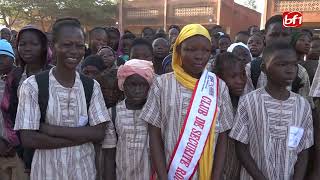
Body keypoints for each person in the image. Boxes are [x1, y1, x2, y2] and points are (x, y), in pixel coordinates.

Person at [13, 18, 117, 180]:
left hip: (84, 173)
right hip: (46, 173)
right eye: (67, 45)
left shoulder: (91, 86)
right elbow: (29, 138)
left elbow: (98, 133)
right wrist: (81, 138)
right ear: (53, 47)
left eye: (79, 46)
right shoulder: (33, 85)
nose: (74, 51)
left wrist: (52, 130)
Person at [140, 24, 234, 180]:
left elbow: (223, 136)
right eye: (191, 50)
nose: (199, 56)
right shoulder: (162, 84)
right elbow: (154, 134)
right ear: (178, 51)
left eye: (206, 50)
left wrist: (216, 176)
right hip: (170, 172)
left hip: (207, 173)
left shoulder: (218, 87)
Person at [230, 41, 313, 180]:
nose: (290, 69)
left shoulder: (303, 105)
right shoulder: (249, 101)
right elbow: (240, 146)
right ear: (264, 68)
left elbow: (304, 149)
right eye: (282, 64)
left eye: (294, 64)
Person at [0, 25, 52, 173]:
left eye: (34, 44)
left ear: (43, 47)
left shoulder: (53, 74)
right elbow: (9, 111)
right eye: (22, 44)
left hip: (51, 141)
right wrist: (12, 141)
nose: (27, 48)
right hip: (22, 145)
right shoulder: (15, 77)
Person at [245, 15, 312, 108]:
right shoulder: (251, 69)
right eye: (274, 35)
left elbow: (305, 108)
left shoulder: (300, 73)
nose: (280, 40)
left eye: (285, 35)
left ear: (290, 38)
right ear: (264, 37)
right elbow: (245, 105)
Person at [114, 59, 154, 180]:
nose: (137, 90)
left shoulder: (156, 111)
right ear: (123, 85)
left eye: (142, 85)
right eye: (132, 85)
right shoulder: (114, 112)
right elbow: (108, 153)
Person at [213, 52, 248, 180]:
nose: (240, 81)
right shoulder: (212, 105)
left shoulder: (246, 104)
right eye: (233, 76)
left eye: (243, 75)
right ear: (219, 78)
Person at [0, 40, 28, 180]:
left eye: (3, 56)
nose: (0, 60)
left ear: (12, 58)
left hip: (19, 148)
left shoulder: (21, 78)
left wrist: (13, 142)